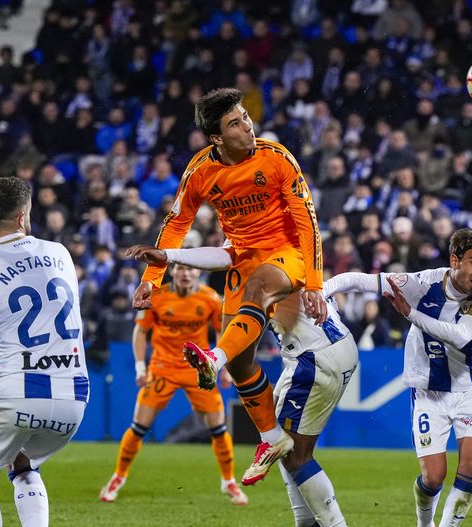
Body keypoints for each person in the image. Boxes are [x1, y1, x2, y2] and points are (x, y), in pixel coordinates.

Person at [130, 87, 326, 484]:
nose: (247, 127)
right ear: (217, 137)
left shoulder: (276, 158)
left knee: (255, 294)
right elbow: (177, 224)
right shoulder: (201, 170)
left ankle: (211, 359)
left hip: (287, 251)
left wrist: (315, 283)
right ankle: (271, 437)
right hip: (240, 255)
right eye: (235, 123)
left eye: (246, 117)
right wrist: (151, 280)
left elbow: (307, 222)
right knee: (241, 363)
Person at [128, 243, 358, 526]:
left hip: (312, 358)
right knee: (289, 449)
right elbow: (225, 255)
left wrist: (169, 258)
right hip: (339, 348)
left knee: (296, 456)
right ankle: (300, 510)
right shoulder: (295, 257)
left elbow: (225, 257)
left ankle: (333, 523)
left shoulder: (264, 268)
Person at [323, 228, 472, 527]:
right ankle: (424, 523)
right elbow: (361, 280)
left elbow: (461, 335)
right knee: (433, 478)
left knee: (471, 465)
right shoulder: (423, 283)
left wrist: (411, 315)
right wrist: (321, 289)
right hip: (429, 391)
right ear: (454, 260)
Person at [0, 177, 88, 526]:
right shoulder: (61, 254)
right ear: (24, 216)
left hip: (18, 391)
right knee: (23, 462)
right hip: (75, 394)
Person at [98, 263, 248, 506]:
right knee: (139, 427)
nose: (185, 274)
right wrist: (139, 366)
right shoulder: (156, 297)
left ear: (199, 272)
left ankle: (228, 481)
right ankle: (118, 477)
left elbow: (222, 332)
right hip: (162, 368)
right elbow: (140, 332)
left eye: (190, 270)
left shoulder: (210, 298)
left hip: (197, 369)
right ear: (172, 272)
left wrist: (222, 366)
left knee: (218, 428)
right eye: (180, 269)